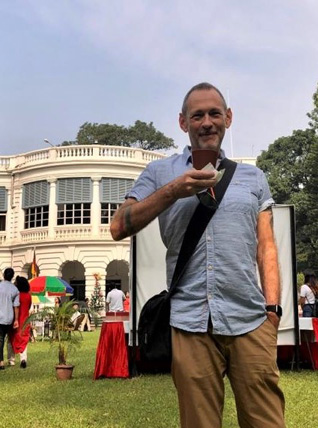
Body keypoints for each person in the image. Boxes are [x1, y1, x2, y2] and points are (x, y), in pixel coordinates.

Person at [110, 82, 285, 428]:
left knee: (267, 422)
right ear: (183, 122)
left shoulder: (253, 177)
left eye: (214, 113)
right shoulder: (160, 173)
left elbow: (266, 245)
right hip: (189, 322)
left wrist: (273, 310)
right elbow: (118, 226)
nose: (207, 122)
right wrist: (174, 191)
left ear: (228, 118)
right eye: (197, 115)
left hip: (250, 319)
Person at [0, 268, 20, 370]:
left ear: (3, 275)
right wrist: (16, 320)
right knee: (2, 338)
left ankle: (1, 362)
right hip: (9, 317)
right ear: (12, 277)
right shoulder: (15, 290)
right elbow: (16, 306)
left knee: (0, 339)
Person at [8, 276, 32, 368]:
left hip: (14, 320)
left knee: (11, 339)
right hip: (25, 321)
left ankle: (11, 360)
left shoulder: (15, 295)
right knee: (24, 341)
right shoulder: (28, 296)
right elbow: (28, 307)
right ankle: (23, 359)